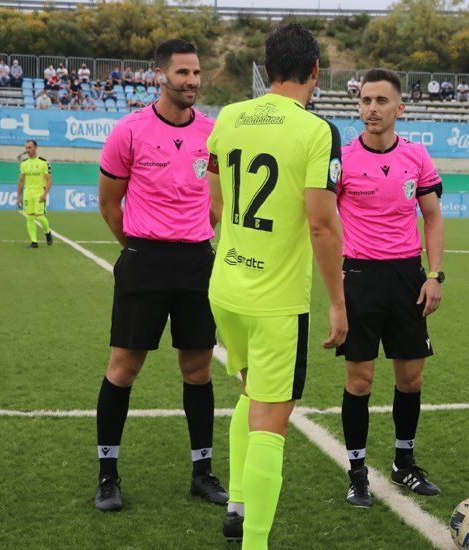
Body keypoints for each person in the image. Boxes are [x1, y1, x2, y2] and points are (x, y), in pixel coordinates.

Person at [204, 22, 347, 547]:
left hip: (226, 285)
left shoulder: (229, 116)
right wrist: (337, 302)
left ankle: (237, 504)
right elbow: (321, 223)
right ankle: (256, 543)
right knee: (272, 417)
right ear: (315, 71)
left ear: (267, 70)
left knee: (250, 393)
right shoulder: (316, 130)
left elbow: (216, 202)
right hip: (275, 300)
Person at [94, 38, 225, 512]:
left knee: (198, 369)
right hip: (144, 262)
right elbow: (109, 203)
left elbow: (216, 199)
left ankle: (203, 472)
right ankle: (108, 475)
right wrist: (137, 247)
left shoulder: (212, 133)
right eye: (182, 73)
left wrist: (196, 232)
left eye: (195, 73)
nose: (191, 81)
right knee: (124, 369)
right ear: (159, 75)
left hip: (195, 263)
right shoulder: (129, 131)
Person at [337, 68, 445, 508]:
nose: (372, 109)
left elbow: (433, 217)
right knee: (360, 381)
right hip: (360, 277)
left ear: (400, 108)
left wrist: (434, 275)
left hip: (407, 277)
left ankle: (404, 464)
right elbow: (322, 223)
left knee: (411, 378)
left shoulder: (416, 157)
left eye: (382, 101)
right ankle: (358, 472)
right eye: (365, 100)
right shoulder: (341, 159)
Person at [16, 140, 53, 249]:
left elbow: (49, 180)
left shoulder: (44, 163)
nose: (28, 150)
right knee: (29, 218)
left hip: (39, 192)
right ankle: (34, 242)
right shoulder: (24, 164)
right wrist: (18, 196)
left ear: (36, 148)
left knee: (40, 216)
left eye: (30, 147)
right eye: (26, 148)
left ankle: (47, 232)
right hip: (28, 192)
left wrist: (45, 193)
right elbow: (21, 181)